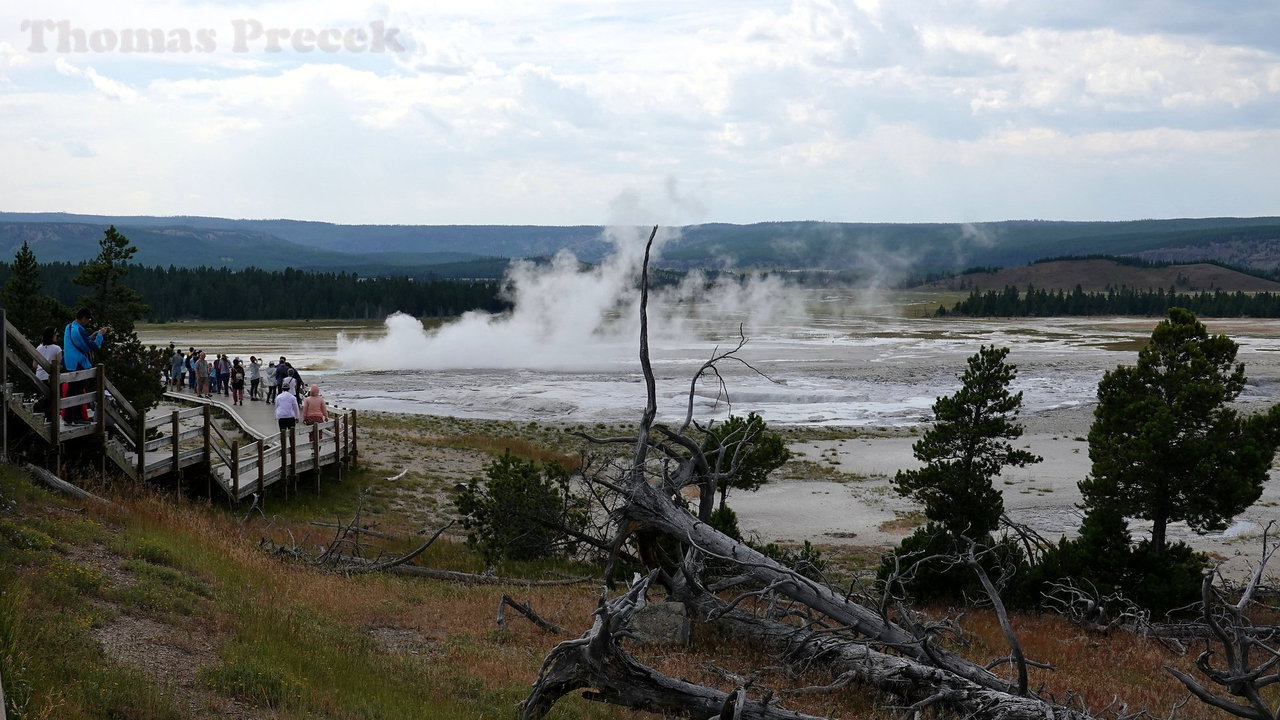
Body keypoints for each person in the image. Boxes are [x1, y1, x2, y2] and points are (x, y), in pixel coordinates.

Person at [62, 307, 106, 423]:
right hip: (79, 364)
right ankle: (77, 417)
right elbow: (93, 347)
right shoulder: (79, 330)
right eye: (88, 319)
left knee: (71, 391)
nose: (88, 322)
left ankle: (68, 417)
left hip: (69, 363)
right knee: (78, 391)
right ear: (83, 318)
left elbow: (80, 342)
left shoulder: (69, 327)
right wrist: (100, 336)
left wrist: (91, 336)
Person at [34, 325, 62, 420]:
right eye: (55, 334)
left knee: (41, 399)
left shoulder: (38, 348)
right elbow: (58, 365)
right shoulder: (57, 348)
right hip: (50, 378)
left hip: (39, 377)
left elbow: (34, 365)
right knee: (52, 401)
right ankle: (50, 421)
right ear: (52, 335)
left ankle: (40, 418)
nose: (57, 335)